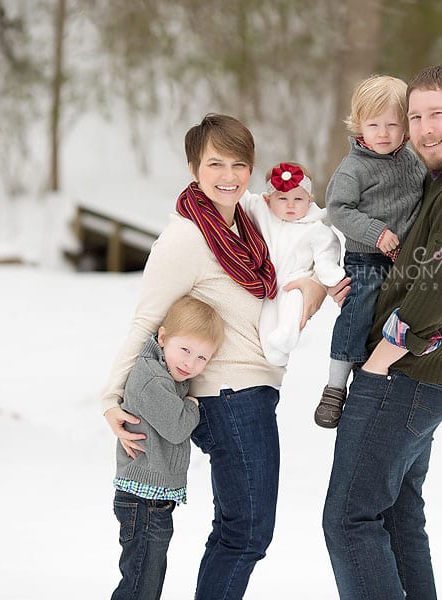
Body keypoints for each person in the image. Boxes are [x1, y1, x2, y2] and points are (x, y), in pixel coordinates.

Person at [102, 113, 328, 600]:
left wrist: (314, 282)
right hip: (228, 394)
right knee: (247, 532)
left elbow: (303, 232)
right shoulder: (187, 236)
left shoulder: (247, 220)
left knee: (237, 529)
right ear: (193, 168)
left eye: (239, 164)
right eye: (215, 164)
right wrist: (110, 399)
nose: (228, 176)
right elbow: (146, 321)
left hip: (250, 391)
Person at [322, 65, 442, 599]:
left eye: (438, 116)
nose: (425, 129)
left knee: (350, 521)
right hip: (421, 378)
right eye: (417, 117)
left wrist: (383, 357)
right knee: (398, 517)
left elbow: (436, 290)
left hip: (403, 377)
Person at [315, 74, 426, 428]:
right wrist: (376, 233)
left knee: (396, 315)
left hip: (403, 261)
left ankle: (375, 375)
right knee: (358, 309)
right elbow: (338, 209)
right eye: (373, 124)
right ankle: (335, 385)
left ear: (406, 127)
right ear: (359, 124)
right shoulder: (354, 167)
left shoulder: (413, 163)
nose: (383, 133)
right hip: (365, 257)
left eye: (392, 124)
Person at [111, 296, 224, 600]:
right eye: (185, 350)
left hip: (151, 499)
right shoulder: (152, 380)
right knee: (140, 587)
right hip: (143, 500)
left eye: (202, 357)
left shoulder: (165, 375)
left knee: (146, 582)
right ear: (162, 337)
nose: (190, 363)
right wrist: (192, 405)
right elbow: (176, 428)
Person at [240, 161, 345, 367]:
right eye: (282, 198)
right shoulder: (262, 213)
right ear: (268, 199)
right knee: (267, 317)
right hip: (266, 281)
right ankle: (274, 350)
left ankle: (287, 336)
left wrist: (327, 271)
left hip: (294, 280)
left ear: (309, 200)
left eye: (298, 199)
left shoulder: (315, 228)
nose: (290, 205)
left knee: (293, 304)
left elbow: (327, 249)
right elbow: (242, 198)